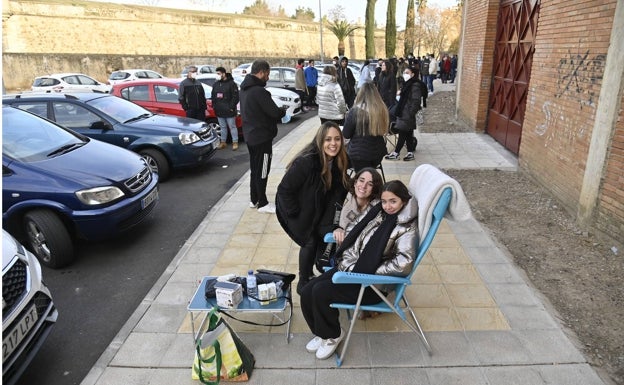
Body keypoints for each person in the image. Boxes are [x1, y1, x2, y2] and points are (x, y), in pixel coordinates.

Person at [300, 180, 418, 360]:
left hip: (370, 285)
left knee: (319, 292)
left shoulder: (406, 227)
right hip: (351, 268)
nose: (388, 206)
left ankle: (333, 335)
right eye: (384, 201)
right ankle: (322, 332)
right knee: (307, 290)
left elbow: (404, 263)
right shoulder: (378, 213)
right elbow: (356, 228)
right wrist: (347, 252)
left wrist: (371, 271)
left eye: (393, 201)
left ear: (403, 200)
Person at [276, 122, 350, 294]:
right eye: (328, 139)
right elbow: (284, 190)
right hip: (294, 209)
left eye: (337, 139)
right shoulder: (307, 162)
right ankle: (303, 282)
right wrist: (296, 213)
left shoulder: (339, 160)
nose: (333, 144)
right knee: (309, 240)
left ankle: (312, 272)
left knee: (320, 233)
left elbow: (340, 188)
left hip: (314, 206)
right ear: (320, 141)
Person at [239, 60, 287, 214]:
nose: (268, 77)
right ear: (261, 72)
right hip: (262, 138)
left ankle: (254, 199)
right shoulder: (259, 92)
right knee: (263, 170)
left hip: (250, 136)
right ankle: (263, 203)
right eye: (267, 73)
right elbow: (273, 112)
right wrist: (283, 111)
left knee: (255, 169)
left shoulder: (244, 90)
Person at [342, 82, 389, 171]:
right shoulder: (382, 109)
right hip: (378, 153)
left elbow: (346, 134)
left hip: (358, 155)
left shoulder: (356, 112)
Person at [331, 167, 384, 245]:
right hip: (335, 245)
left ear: (374, 188)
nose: (363, 186)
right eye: (361, 180)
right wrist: (337, 229)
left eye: (370, 184)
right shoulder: (341, 198)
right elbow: (325, 225)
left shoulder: (379, 209)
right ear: (355, 183)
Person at [385, 66, 423, 161]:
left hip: (406, 114)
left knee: (402, 134)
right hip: (403, 112)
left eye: (407, 73)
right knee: (408, 134)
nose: (405, 74)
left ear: (413, 74)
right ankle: (410, 153)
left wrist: (410, 113)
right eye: (404, 72)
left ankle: (396, 153)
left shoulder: (415, 85)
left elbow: (416, 101)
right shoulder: (407, 84)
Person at [211, 67, 240, 150]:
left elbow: (235, 97)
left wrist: (231, 107)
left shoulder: (231, 83)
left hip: (229, 111)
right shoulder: (216, 84)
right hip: (219, 110)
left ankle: (235, 142)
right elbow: (213, 96)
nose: (217, 76)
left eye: (219, 74)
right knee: (222, 127)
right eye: (216, 74)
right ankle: (223, 142)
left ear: (224, 73)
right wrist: (214, 106)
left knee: (232, 127)